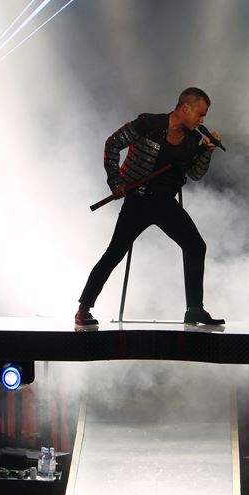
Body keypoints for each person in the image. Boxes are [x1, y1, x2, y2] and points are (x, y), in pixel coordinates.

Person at [76, 87, 224, 327]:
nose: (202, 120)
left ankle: (195, 309)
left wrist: (207, 152)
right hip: (138, 200)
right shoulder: (148, 124)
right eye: (200, 114)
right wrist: (116, 181)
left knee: (196, 246)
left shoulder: (192, 139)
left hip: (165, 203)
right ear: (185, 108)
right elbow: (113, 143)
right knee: (115, 252)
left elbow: (195, 174)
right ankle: (83, 310)